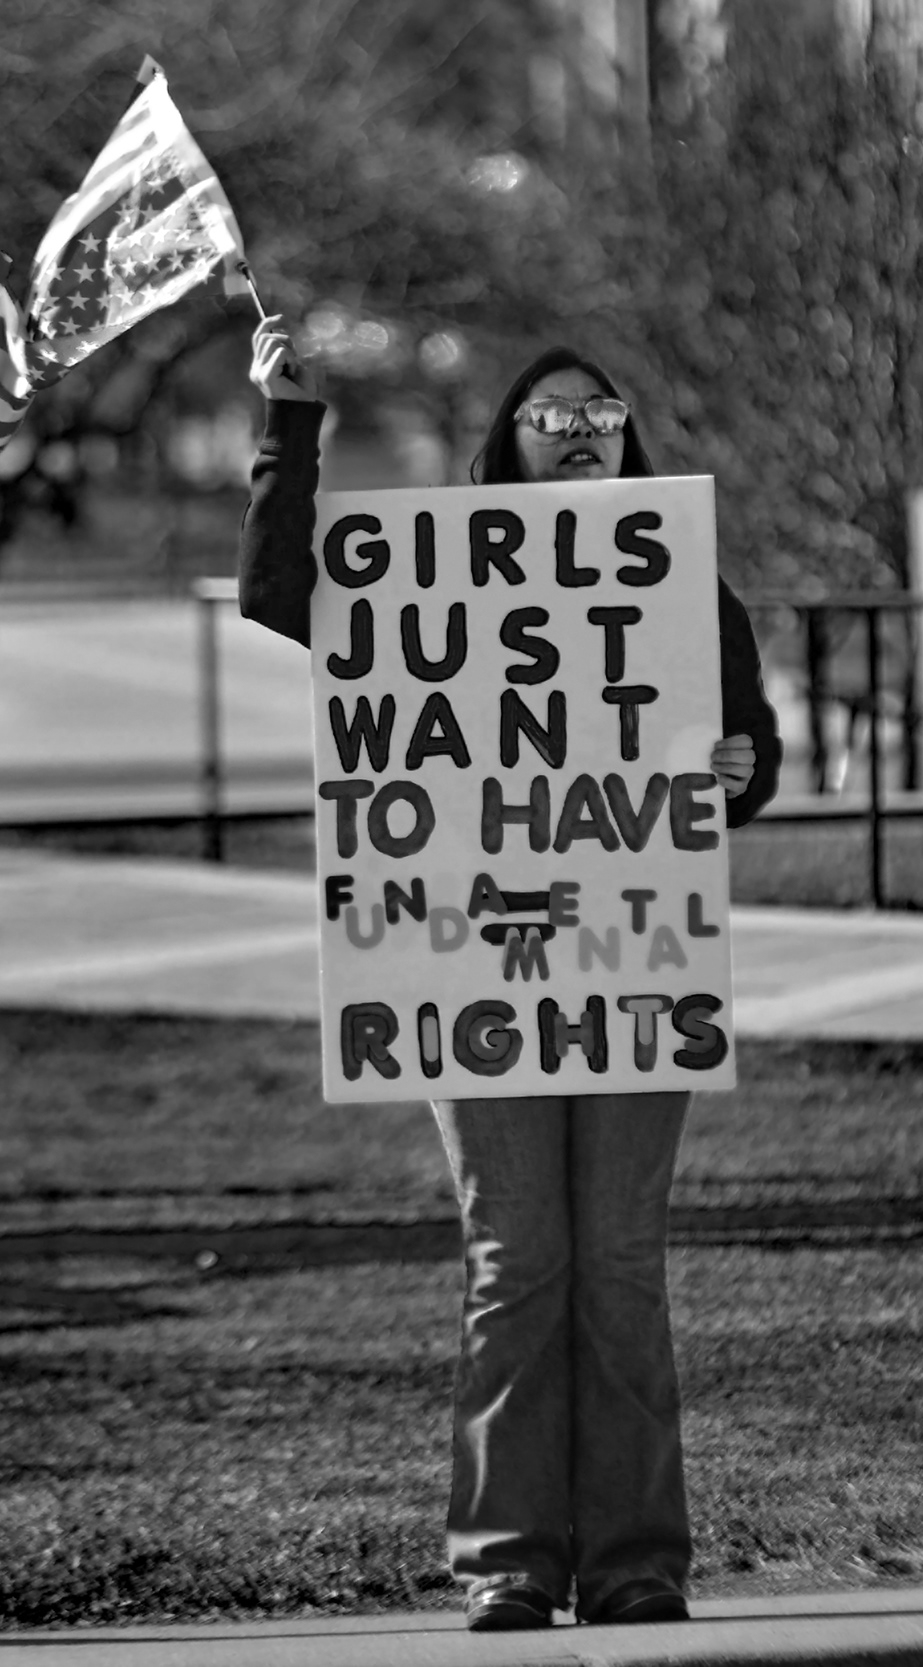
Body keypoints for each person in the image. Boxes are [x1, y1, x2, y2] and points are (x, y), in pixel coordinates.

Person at [236, 320, 782, 1630]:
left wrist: (737, 774)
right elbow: (273, 591)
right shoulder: (424, 586)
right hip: (470, 972)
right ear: (508, 443)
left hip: (632, 965)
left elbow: (743, 748)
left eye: (603, 406)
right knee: (518, 1261)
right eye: (555, 413)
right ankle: (511, 1558)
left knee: (619, 1270)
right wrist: (289, 427)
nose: (585, 426)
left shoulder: (686, 588)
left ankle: (641, 1558)